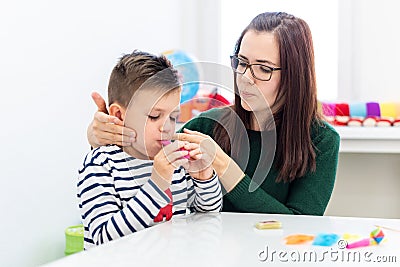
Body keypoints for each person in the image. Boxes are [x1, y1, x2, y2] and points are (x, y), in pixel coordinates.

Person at [86, 12, 340, 216]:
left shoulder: (322, 141)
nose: (245, 78)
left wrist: (221, 164)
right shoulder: (207, 127)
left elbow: (300, 226)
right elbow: (144, 152)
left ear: (294, 77)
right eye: (241, 62)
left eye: (263, 68)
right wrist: (100, 135)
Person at [78, 50, 222, 249]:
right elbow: (104, 239)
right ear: (119, 114)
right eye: (154, 116)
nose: (167, 127)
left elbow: (208, 215)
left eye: (173, 117)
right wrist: (157, 183)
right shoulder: (100, 165)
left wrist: (204, 177)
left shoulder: (177, 165)